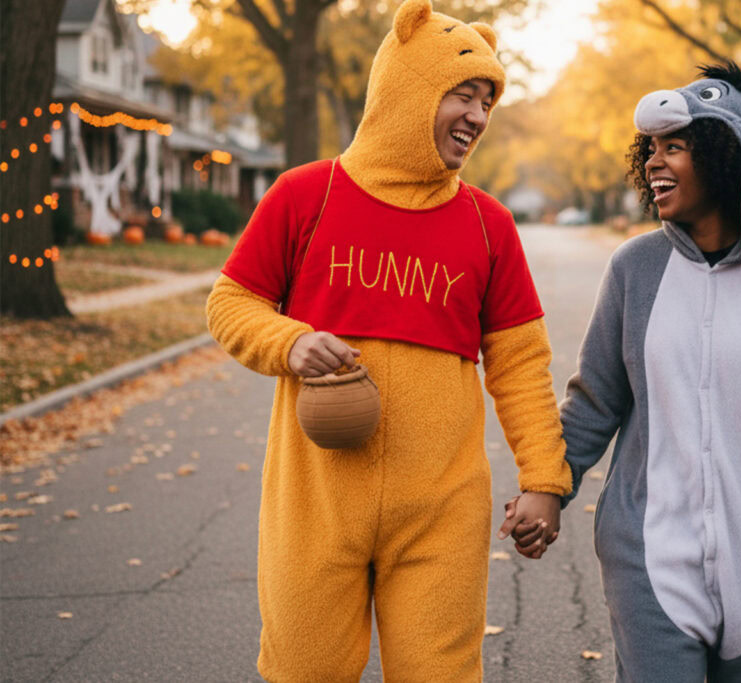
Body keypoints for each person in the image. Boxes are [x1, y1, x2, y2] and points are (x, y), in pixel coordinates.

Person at [206, 1, 568, 679]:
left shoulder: (489, 225)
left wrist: (544, 480)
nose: (478, 116)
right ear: (407, 85)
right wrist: (290, 342)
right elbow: (230, 303)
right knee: (304, 671)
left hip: (443, 511)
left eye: (487, 101)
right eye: (463, 94)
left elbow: (521, 364)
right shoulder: (304, 195)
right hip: (314, 505)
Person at [504, 62, 741, 681]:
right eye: (650, 149)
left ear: (729, 155)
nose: (654, 162)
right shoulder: (634, 269)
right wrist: (548, 487)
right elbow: (594, 401)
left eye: (674, 147)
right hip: (648, 555)